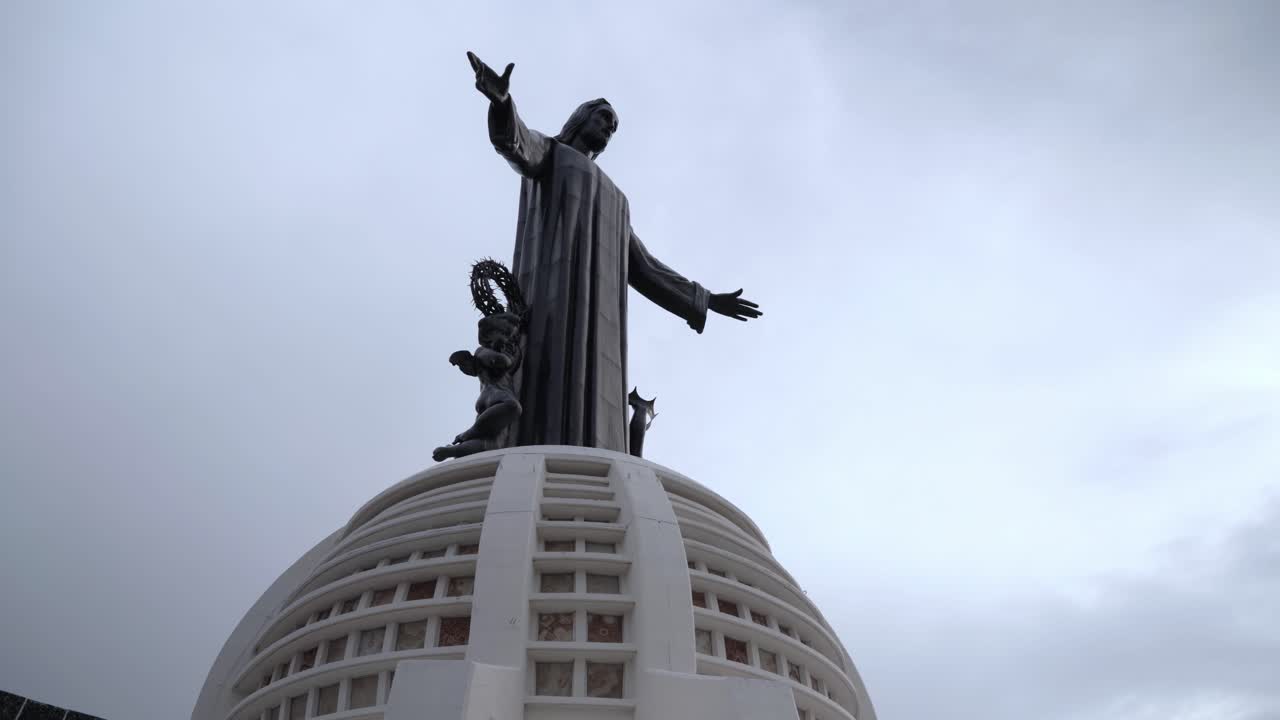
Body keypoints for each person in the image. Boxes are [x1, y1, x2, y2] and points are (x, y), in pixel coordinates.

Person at [467, 51, 762, 452]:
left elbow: (642, 266)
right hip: (550, 300)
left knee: (594, 387)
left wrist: (704, 298)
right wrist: (502, 103)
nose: (609, 127)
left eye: (615, 126)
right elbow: (517, 144)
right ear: (581, 118)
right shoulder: (552, 154)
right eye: (603, 117)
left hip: (600, 321)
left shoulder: (616, 200)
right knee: (546, 381)